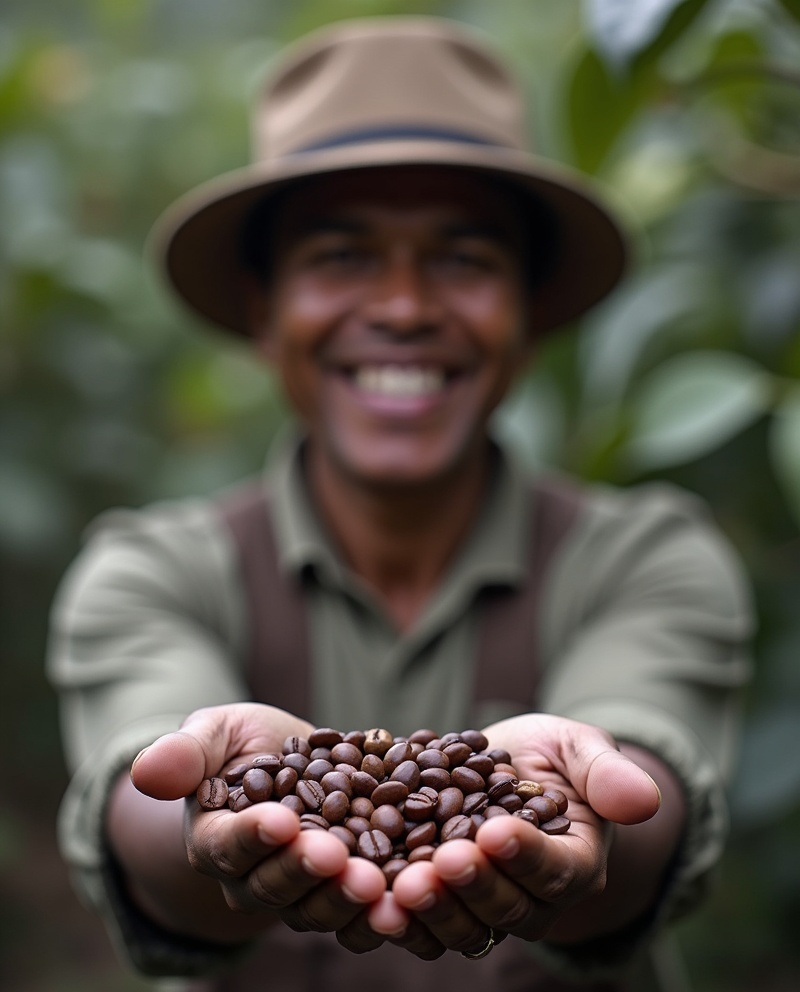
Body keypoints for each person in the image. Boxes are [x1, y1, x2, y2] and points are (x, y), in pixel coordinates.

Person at [47, 16, 753, 992]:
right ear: (263, 308)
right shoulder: (151, 570)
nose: (405, 306)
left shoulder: (646, 555)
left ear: (526, 307)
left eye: (462, 258)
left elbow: (647, 792)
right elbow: (139, 809)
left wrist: (588, 821)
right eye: (342, 256)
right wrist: (201, 819)